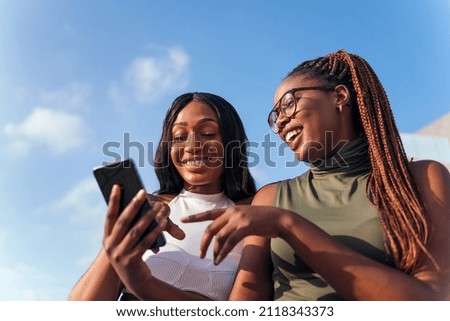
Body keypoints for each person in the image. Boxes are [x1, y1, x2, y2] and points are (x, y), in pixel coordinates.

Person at [182, 50, 450, 300]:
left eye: (289, 103)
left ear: (340, 96)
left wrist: (289, 225)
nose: (281, 121)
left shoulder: (422, 179)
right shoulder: (271, 197)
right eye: (275, 116)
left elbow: (434, 301)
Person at [68, 92, 256, 300]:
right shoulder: (150, 208)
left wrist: (144, 283)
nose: (192, 146)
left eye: (209, 133)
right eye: (179, 137)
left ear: (232, 142)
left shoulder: (253, 214)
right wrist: (116, 245)